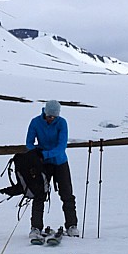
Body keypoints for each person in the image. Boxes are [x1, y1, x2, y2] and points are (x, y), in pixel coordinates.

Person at [26, 99, 79, 239]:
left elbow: (61, 147)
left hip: (60, 162)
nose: (51, 119)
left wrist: (45, 154)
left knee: (67, 194)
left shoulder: (62, 123)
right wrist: (36, 153)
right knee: (39, 195)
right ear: (45, 113)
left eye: (54, 117)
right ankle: (36, 227)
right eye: (49, 116)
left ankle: (72, 226)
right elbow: (29, 142)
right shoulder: (35, 122)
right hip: (42, 165)